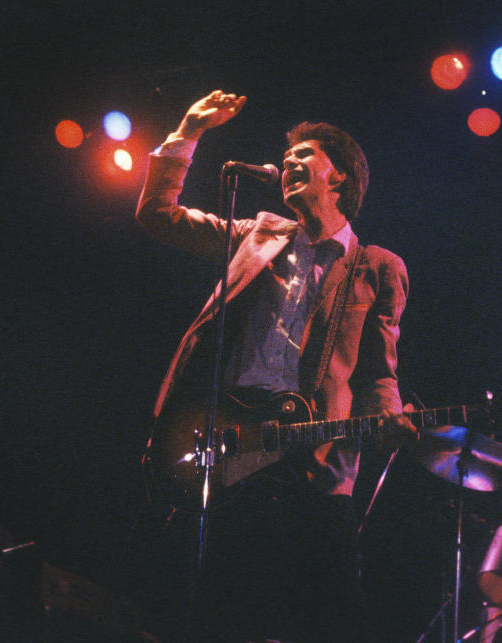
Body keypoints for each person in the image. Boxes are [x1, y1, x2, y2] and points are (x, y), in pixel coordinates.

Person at [135, 90, 413, 642]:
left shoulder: (377, 268)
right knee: (220, 608)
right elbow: (157, 215)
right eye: (287, 158)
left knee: (329, 612)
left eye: (306, 155)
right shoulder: (256, 234)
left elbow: (379, 372)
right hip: (232, 446)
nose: (290, 162)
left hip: (317, 457)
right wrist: (188, 132)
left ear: (340, 178)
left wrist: (390, 414)